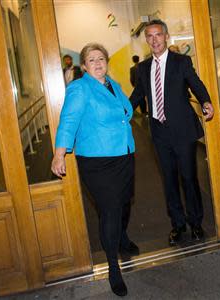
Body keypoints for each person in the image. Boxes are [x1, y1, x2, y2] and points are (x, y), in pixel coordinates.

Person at [52, 43, 138, 297]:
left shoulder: (114, 85)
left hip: (124, 155)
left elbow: (126, 114)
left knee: (124, 204)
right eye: (92, 59)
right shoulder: (79, 88)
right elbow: (68, 120)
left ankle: (122, 238)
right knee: (110, 210)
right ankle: (113, 267)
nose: (98, 63)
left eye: (102, 58)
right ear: (84, 66)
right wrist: (60, 153)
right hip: (98, 162)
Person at [130, 19, 214, 246]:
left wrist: (206, 101)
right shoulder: (143, 68)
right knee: (169, 180)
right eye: (150, 36)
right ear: (146, 40)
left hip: (183, 130)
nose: (154, 39)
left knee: (188, 177)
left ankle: (196, 223)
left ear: (166, 37)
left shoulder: (181, 62)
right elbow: (138, 94)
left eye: (158, 35)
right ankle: (178, 224)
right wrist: (123, 113)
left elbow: (195, 83)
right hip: (159, 132)